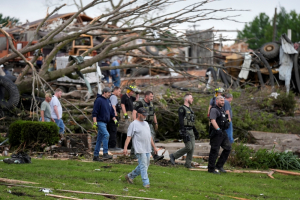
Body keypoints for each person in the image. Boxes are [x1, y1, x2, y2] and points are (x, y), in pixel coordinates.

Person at [124, 107, 158, 188]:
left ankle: (130, 176)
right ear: (138, 114)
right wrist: (125, 148)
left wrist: (154, 147)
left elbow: (150, 137)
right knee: (143, 166)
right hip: (139, 148)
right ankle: (146, 183)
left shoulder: (146, 124)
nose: (145, 116)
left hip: (147, 148)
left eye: (146, 115)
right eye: (143, 115)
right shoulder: (133, 124)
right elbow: (129, 137)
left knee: (145, 165)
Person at [169, 94, 199, 168]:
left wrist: (195, 131)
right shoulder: (182, 109)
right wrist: (183, 131)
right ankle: (173, 155)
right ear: (186, 99)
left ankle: (188, 164)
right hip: (186, 130)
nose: (192, 99)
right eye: (191, 98)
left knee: (192, 148)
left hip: (191, 130)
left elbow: (191, 122)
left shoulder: (190, 109)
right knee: (188, 147)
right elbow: (181, 120)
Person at [132, 91, 164, 161]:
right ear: (146, 96)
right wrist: (135, 122)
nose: (152, 98)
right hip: (142, 123)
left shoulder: (151, 104)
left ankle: (155, 155)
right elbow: (134, 112)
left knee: (151, 138)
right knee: (138, 138)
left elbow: (153, 113)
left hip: (150, 124)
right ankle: (133, 154)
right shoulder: (140, 103)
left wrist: (156, 123)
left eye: (152, 96)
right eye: (151, 96)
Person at [92, 87, 118, 161]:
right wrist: (95, 122)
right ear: (104, 92)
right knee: (106, 135)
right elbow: (95, 112)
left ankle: (96, 156)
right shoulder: (99, 100)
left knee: (99, 139)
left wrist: (115, 119)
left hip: (105, 123)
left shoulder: (108, 101)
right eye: (109, 93)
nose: (110, 94)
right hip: (100, 122)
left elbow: (111, 112)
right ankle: (105, 153)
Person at [208, 96, 231, 174]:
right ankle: (211, 169)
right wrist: (218, 129)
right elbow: (213, 120)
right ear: (217, 101)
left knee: (228, 148)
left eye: (223, 101)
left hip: (223, 132)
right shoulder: (214, 109)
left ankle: (219, 166)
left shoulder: (222, 110)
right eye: (221, 100)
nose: (223, 102)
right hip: (216, 132)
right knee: (214, 150)